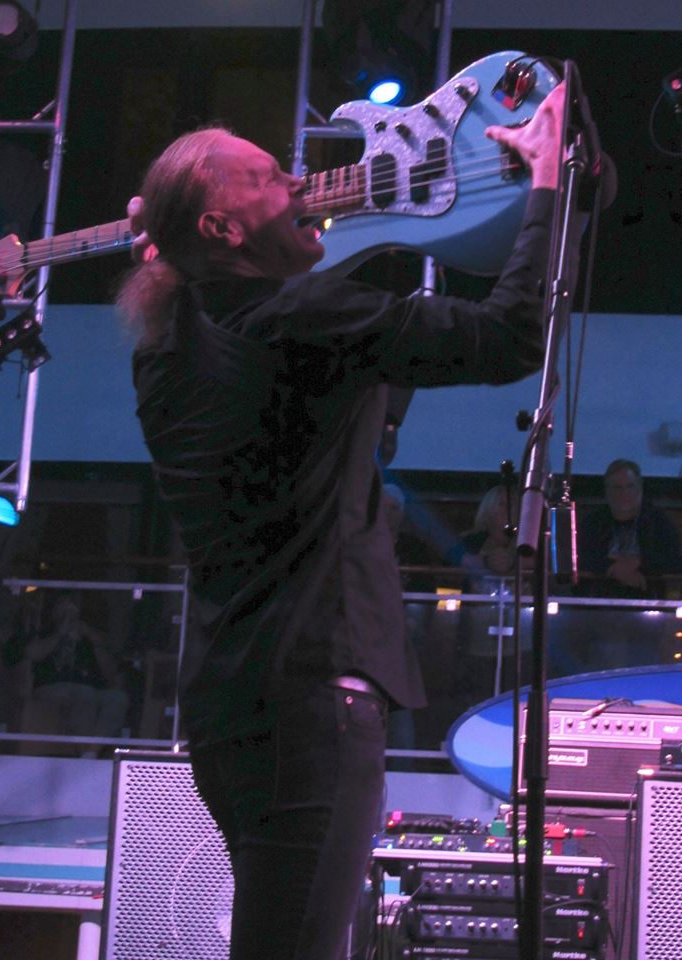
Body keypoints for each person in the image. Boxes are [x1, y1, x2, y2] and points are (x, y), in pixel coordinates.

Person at [118, 82, 573, 960]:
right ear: (221, 229)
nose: (300, 181)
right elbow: (510, 335)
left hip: (230, 704)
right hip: (313, 702)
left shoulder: (166, 345)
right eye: (269, 178)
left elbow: (333, 383)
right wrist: (548, 183)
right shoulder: (298, 318)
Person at [24, 592, 128, 750]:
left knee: (117, 699)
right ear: (54, 612)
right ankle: (84, 751)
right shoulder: (45, 631)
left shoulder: (88, 637)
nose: (69, 613)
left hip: (87, 689)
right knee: (84, 693)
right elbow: (32, 654)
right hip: (50, 687)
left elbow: (110, 673)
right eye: (63, 607)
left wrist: (93, 639)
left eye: (72, 608)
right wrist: (60, 634)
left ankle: (91, 752)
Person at [577, 459, 682, 598]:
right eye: (617, 488)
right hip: (598, 598)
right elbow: (580, 559)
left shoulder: (658, 522)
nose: (624, 493)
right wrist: (616, 570)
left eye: (630, 486)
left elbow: (674, 560)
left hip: (650, 597)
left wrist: (639, 562)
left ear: (640, 488)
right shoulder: (593, 522)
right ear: (607, 491)